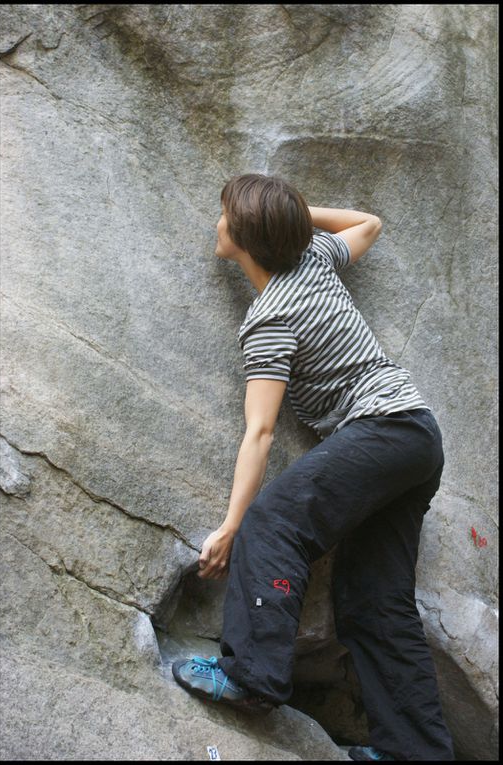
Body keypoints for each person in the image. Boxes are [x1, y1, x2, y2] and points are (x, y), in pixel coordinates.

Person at [172, 174, 455, 761]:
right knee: (374, 600)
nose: (218, 221)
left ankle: (252, 676)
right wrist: (294, 220)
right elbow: (367, 223)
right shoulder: (315, 260)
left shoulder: (269, 318)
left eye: (227, 214)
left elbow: (261, 432)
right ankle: (413, 753)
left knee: (272, 523)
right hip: (417, 437)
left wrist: (231, 527)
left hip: (381, 430)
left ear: (245, 236)